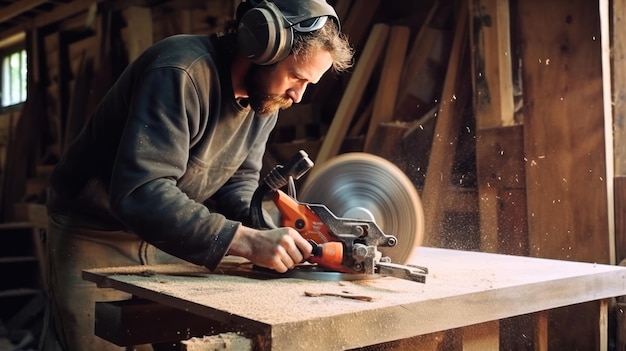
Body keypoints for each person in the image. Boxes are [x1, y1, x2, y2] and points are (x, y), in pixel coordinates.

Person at [39, 0, 353, 350]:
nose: (297, 95)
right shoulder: (181, 71)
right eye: (296, 76)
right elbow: (141, 193)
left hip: (170, 235)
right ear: (262, 46)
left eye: (309, 83)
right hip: (96, 234)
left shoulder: (267, 99)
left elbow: (238, 183)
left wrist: (269, 231)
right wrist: (248, 242)